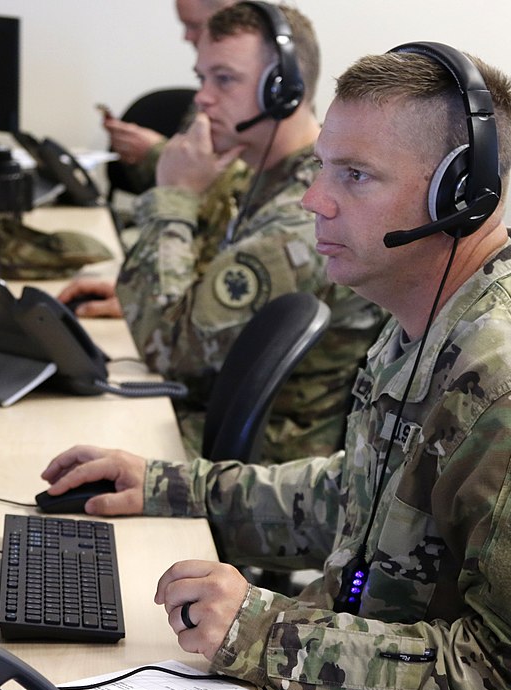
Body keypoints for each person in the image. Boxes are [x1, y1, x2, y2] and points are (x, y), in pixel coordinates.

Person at [43, 42, 511, 690]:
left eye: (354, 175)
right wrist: (168, 486)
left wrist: (264, 632)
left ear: (460, 194)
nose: (315, 201)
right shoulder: (430, 316)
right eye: (323, 167)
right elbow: (361, 496)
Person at [64, 2, 385, 462]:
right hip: (210, 410)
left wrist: (174, 196)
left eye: (225, 79)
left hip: (263, 465)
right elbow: (194, 298)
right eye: (202, 78)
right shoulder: (255, 176)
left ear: (283, 91)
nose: (202, 98)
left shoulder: (303, 217)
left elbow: (167, 349)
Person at [103, 0, 238, 192]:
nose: (186, 37)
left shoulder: (254, 96)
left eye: (194, 25)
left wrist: (155, 152)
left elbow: (231, 192)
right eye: (201, 78)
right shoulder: (209, 93)